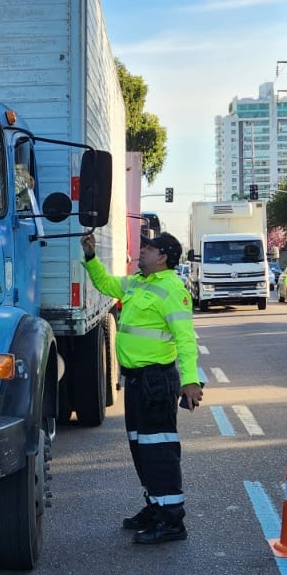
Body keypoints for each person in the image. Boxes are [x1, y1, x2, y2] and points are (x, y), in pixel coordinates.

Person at [80, 229, 204, 545]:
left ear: (162, 256)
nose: (142, 251)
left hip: (157, 383)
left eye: (148, 248)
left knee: (159, 451)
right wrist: (91, 257)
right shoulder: (138, 282)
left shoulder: (172, 290)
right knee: (141, 449)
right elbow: (106, 284)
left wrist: (190, 380)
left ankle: (172, 521)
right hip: (136, 383)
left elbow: (186, 339)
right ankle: (156, 507)